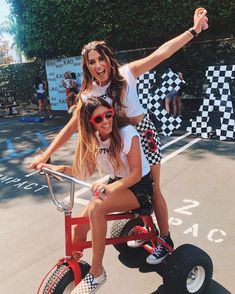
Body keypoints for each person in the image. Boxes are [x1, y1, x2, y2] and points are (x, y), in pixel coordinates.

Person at [29, 8, 208, 265]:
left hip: (143, 134)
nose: (98, 65)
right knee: (119, 183)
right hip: (118, 139)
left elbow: (161, 53)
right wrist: (46, 155)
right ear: (87, 67)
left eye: (100, 59)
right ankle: (131, 230)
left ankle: (165, 238)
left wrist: (193, 30)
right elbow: (72, 126)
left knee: (154, 189)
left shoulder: (126, 74)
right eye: (91, 62)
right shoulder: (89, 93)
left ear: (108, 58)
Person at [38, 97, 153, 293]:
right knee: (79, 229)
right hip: (116, 182)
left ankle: (97, 272)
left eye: (108, 114)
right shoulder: (95, 139)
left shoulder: (127, 133)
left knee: (97, 208)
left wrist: (109, 189)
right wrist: (57, 168)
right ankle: (73, 270)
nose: (106, 121)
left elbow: (134, 174)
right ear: (91, 123)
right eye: (98, 119)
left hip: (138, 186)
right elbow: (85, 170)